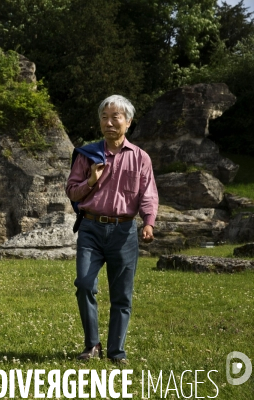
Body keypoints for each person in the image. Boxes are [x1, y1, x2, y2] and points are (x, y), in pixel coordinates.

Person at [65, 94, 158, 364]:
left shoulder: (140, 158)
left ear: (127, 122)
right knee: (84, 284)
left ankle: (117, 352)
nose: (109, 122)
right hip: (91, 228)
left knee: (122, 296)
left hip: (124, 232)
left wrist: (149, 222)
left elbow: (148, 194)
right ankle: (92, 345)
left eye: (115, 117)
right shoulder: (87, 154)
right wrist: (91, 180)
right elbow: (72, 190)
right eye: (104, 117)